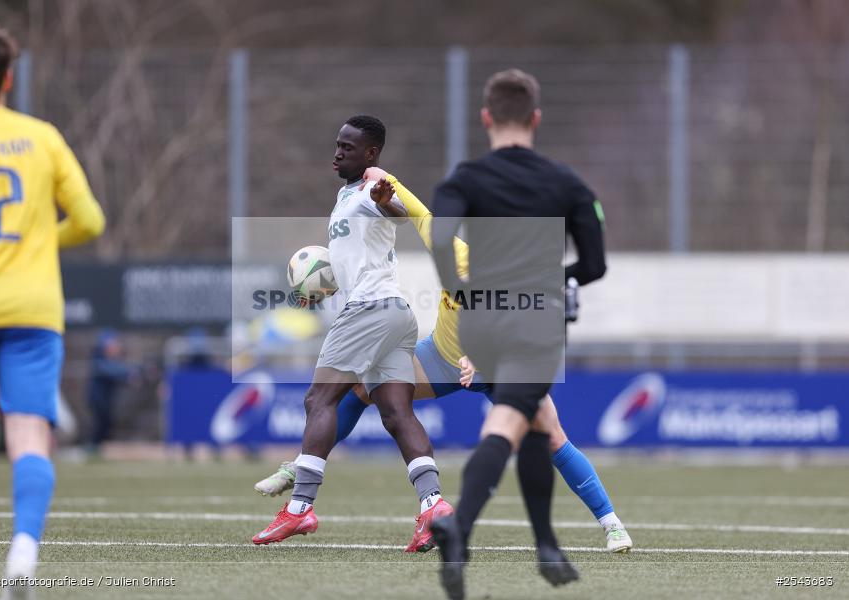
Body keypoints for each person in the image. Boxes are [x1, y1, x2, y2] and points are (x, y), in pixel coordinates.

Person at [254, 167, 631, 553]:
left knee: (553, 438)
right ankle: (302, 469)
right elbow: (420, 215)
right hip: (442, 358)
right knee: (359, 389)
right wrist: (389, 179)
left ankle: (612, 524)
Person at [427, 69, 607, 599]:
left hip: (479, 319)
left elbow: (440, 238)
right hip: (535, 316)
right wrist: (561, 278)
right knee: (511, 420)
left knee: (526, 418)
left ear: (486, 118)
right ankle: (461, 529)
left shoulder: (464, 179)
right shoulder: (566, 183)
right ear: (536, 119)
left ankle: (546, 544)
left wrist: (458, 291)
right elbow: (594, 265)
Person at [0, 19, 105, 598]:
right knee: (29, 431)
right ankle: (22, 553)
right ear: (9, 78)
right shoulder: (42, 137)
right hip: (35, 308)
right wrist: (38, 240)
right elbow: (89, 220)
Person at [251, 115, 453, 548]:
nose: (338, 151)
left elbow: (393, 210)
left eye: (348, 146)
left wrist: (385, 198)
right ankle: (432, 506)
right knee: (397, 415)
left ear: (371, 153)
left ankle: (300, 508)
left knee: (318, 398)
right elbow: (356, 262)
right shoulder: (345, 197)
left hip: (370, 313)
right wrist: (319, 292)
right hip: (394, 315)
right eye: (338, 144)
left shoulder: (369, 186)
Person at [86, 329, 137, 454]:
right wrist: (129, 375)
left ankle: (99, 448)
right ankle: (93, 447)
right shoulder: (99, 361)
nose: (114, 348)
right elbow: (112, 372)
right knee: (101, 423)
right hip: (97, 399)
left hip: (106, 400)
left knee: (107, 423)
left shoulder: (112, 361)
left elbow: (119, 373)